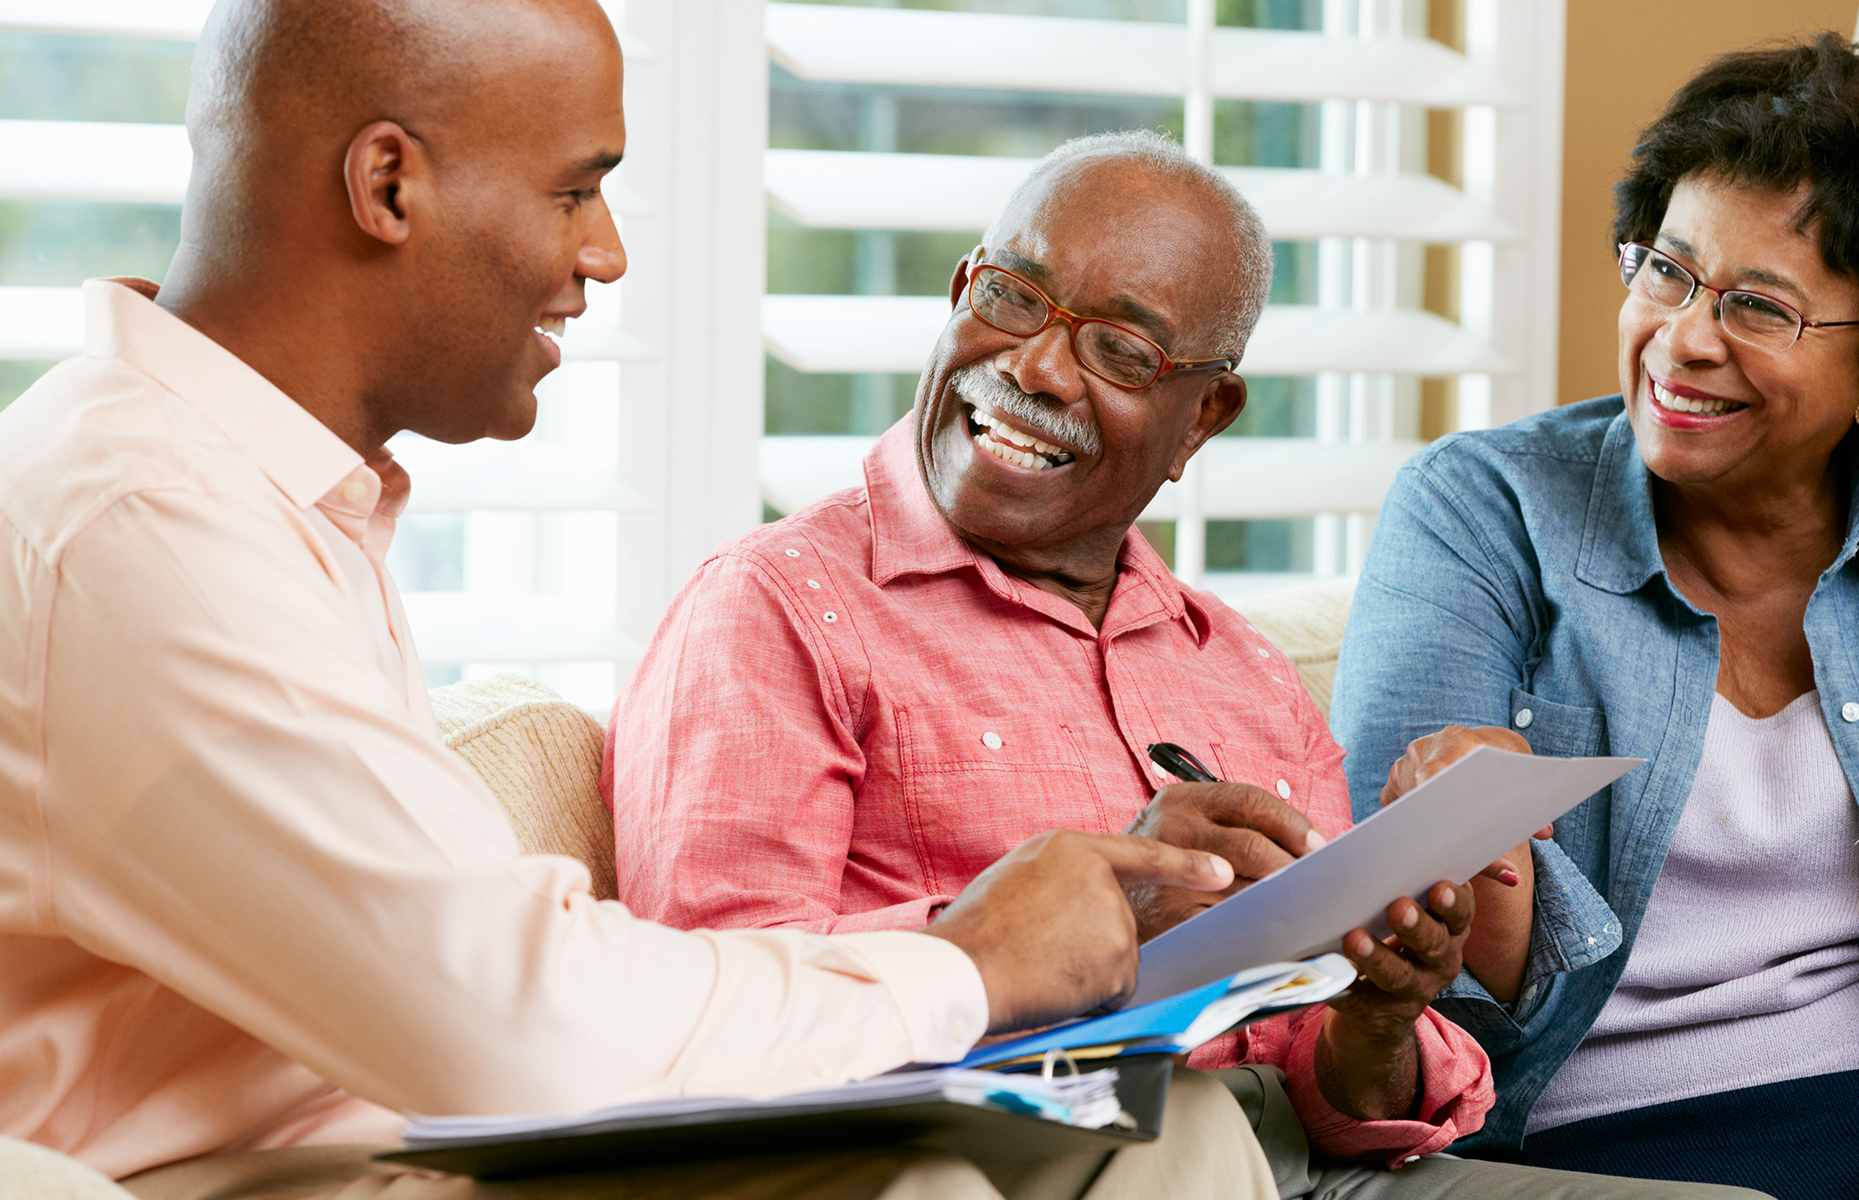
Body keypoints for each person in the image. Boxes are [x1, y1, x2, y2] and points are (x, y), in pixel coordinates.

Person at [0, 3, 1282, 1198]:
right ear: (389, 185)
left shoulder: (259, 492)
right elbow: (513, 1027)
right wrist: (967, 961)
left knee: (1174, 1132)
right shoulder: (141, 524)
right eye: (575, 188)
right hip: (307, 1172)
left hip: (419, 1140)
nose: (604, 254)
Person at [606, 132, 1763, 1200]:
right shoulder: (778, 608)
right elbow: (713, 1010)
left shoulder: (1238, 667)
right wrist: (1071, 923)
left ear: (1203, 415)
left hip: (1303, 1162)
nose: (1039, 367)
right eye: (1012, 296)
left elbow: (1347, 1096)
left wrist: (1375, 1009)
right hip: (1015, 1154)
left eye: (1117, 347)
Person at [1330, 33, 1859, 1200]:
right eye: (1666, 269)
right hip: (1604, 1144)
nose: (1683, 336)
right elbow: (1410, 1001)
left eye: (1759, 306)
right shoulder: (1479, 513)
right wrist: (1466, 878)